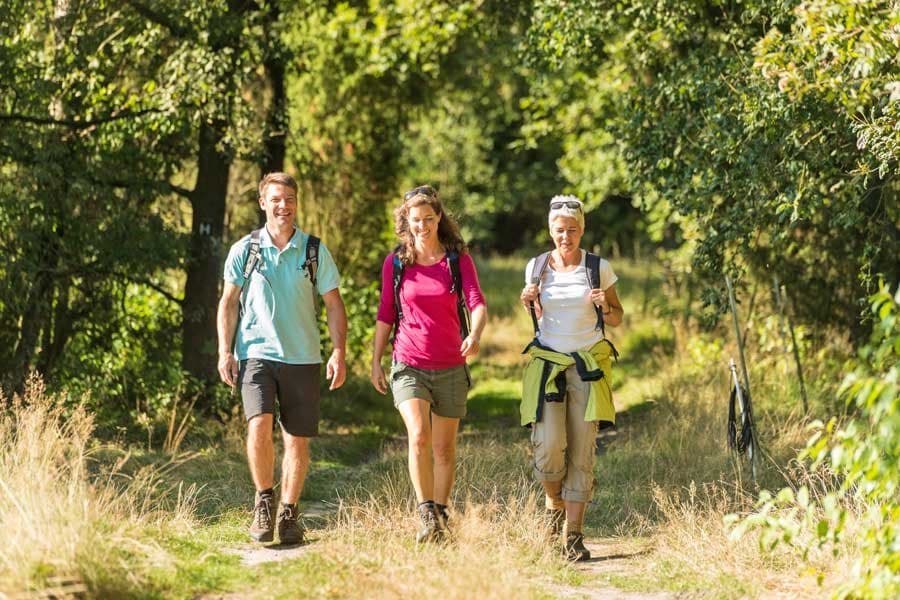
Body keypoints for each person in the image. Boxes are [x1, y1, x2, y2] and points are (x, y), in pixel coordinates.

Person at [216, 172, 347, 545]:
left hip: (303, 357)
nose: (283, 206)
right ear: (262, 203)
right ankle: (264, 500)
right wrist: (225, 350)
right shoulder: (246, 249)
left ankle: (289, 513)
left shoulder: (314, 251)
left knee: (296, 441)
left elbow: (334, 305)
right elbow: (228, 303)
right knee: (258, 425)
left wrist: (339, 351)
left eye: (289, 199)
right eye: (275, 199)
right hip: (255, 353)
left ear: (296, 203)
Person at [370, 185, 487, 543]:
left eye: (428, 219)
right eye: (415, 220)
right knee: (419, 435)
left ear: (439, 218)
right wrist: (376, 360)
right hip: (408, 362)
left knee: (444, 449)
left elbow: (476, 302)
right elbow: (386, 313)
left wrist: (476, 334)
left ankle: (440, 510)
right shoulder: (396, 262)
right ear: (406, 221)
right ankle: (424, 511)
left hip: (451, 364)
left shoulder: (457, 259)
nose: (422, 226)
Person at [519, 195, 624, 561]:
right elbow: (536, 314)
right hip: (548, 363)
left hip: (587, 363)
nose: (566, 237)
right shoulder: (535, 268)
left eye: (573, 230)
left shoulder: (598, 267)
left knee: (581, 451)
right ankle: (553, 505)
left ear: (582, 230)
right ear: (551, 230)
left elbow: (617, 318)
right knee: (548, 446)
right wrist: (528, 298)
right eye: (560, 231)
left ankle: (574, 536)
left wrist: (603, 305)